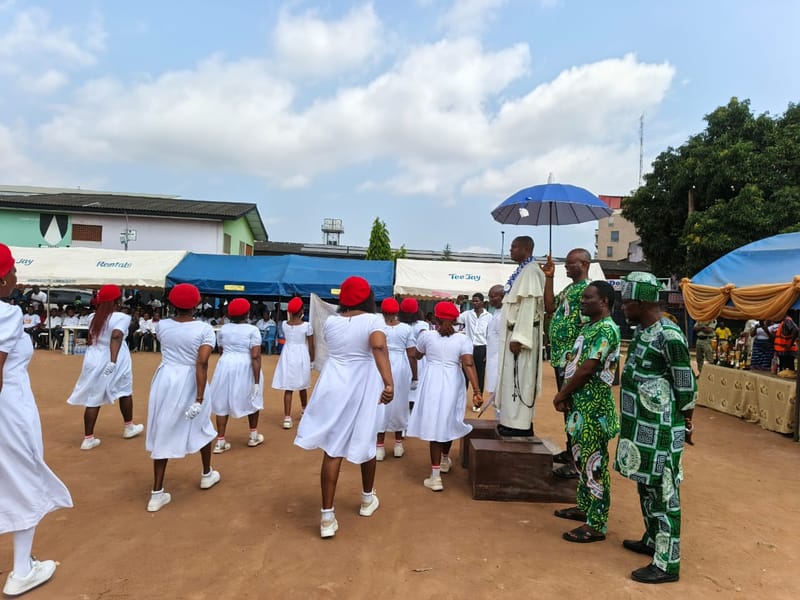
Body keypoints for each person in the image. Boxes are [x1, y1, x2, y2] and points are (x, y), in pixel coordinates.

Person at [294, 276, 394, 538]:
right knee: (367, 437)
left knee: (332, 449)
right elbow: (378, 346)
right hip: (362, 384)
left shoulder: (331, 322)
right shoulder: (374, 320)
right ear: (368, 298)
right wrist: (388, 383)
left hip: (333, 382)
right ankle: (366, 498)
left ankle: (327, 516)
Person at [615, 272, 697, 584]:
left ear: (643, 301)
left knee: (665, 493)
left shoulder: (670, 336)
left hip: (662, 429)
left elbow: (685, 385)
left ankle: (667, 563)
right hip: (641, 428)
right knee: (645, 485)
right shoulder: (642, 331)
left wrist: (686, 422)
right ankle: (651, 540)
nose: (623, 307)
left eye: (627, 302)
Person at [0, 244, 73, 597]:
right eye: (13, 270)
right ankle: (20, 570)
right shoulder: (6, 313)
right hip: (8, 409)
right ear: (2, 278)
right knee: (23, 477)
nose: (17, 276)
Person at [552, 281, 620, 543]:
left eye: (588, 298)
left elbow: (588, 368)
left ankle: (597, 523)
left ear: (603, 301)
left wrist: (562, 393)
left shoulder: (606, 329)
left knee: (595, 464)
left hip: (594, 410)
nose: (582, 301)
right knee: (581, 460)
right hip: (581, 407)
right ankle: (584, 507)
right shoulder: (590, 326)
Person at [144, 283, 220, 512]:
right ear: (196, 304)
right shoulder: (205, 330)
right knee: (203, 423)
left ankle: (157, 492)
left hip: (165, 378)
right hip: (190, 380)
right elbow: (202, 362)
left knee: (162, 427)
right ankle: (206, 473)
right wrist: (198, 397)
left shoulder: (163, 326)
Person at [407, 301, 482, 492]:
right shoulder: (463, 340)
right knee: (447, 420)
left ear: (435, 318)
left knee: (435, 425)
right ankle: (445, 460)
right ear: (456, 319)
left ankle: (435, 477)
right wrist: (477, 390)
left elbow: (417, 355)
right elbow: (468, 364)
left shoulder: (427, 336)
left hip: (432, 380)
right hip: (452, 381)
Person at [66, 284, 144, 450]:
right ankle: (128, 426)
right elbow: (116, 336)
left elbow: (91, 337)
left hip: (93, 356)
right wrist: (113, 361)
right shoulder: (122, 317)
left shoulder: (93, 316)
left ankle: (88, 437)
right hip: (114, 357)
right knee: (125, 390)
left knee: (94, 397)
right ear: (116, 300)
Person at [543, 248, 592, 478]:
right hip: (561, 357)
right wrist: (549, 278)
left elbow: (586, 328)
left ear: (583, 264)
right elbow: (550, 307)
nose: (566, 266)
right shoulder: (571, 289)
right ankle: (571, 449)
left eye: (570, 263)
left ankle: (577, 460)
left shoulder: (588, 291)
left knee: (572, 407)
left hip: (572, 360)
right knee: (566, 407)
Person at [495, 236, 546, 437]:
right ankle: (510, 421)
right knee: (511, 378)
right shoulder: (523, 270)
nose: (510, 250)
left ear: (526, 249)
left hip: (521, 337)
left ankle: (519, 425)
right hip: (513, 334)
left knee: (520, 379)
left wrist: (519, 337)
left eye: (514, 247)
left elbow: (528, 306)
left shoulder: (532, 271)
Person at [210, 298, 264, 453]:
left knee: (222, 400)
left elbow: (220, 349)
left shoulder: (224, 329)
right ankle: (253, 435)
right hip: (245, 365)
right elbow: (255, 356)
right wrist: (256, 381)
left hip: (225, 364)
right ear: (247, 313)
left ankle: (220, 441)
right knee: (252, 397)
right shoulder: (252, 330)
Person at [375, 298, 417, 460]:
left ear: (383, 312)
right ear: (397, 312)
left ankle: (379, 447)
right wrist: (415, 375)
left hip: (381, 364)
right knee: (400, 402)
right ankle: (398, 444)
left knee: (381, 402)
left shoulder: (377, 327)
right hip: (401, 366)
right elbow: (412, 354)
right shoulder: (406, 329)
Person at [271, 297, 314, 429]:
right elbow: (311, 345)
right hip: (301, 354)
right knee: (303, 384)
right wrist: (312, 359)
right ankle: (304, 409)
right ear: (302, 310)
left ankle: (287, 418)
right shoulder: (307, 326)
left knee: (288, 387)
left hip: (288, 353)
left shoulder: (284, 324)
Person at [457, 292, 492, 403]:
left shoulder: (489, 317)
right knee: (465, 374)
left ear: (482, 302)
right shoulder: (467, 314)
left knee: (480, 375)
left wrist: (488, 352)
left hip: (481, 348)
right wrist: (458, 304)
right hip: (468, 347)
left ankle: (478, 400)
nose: (474, 303)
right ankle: (461, 399)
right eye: (473, 301)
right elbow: (456, 318)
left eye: (477, 301)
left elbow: (490, 335)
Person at [399, 298, 429, 411]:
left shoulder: (399, 323)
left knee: (402, 390)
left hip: (401, 358)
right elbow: (424, 340)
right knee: (416, 391)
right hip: (417, 359)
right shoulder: (422, 324)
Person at [483, 284, 504, 418]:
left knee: (500, 398)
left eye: (493, 296)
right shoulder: (496, 313)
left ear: (503, 296)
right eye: (489, 296)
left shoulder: (505, 314)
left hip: (500, 362)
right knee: (494, 398)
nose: (490, 299)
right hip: (492, 360)